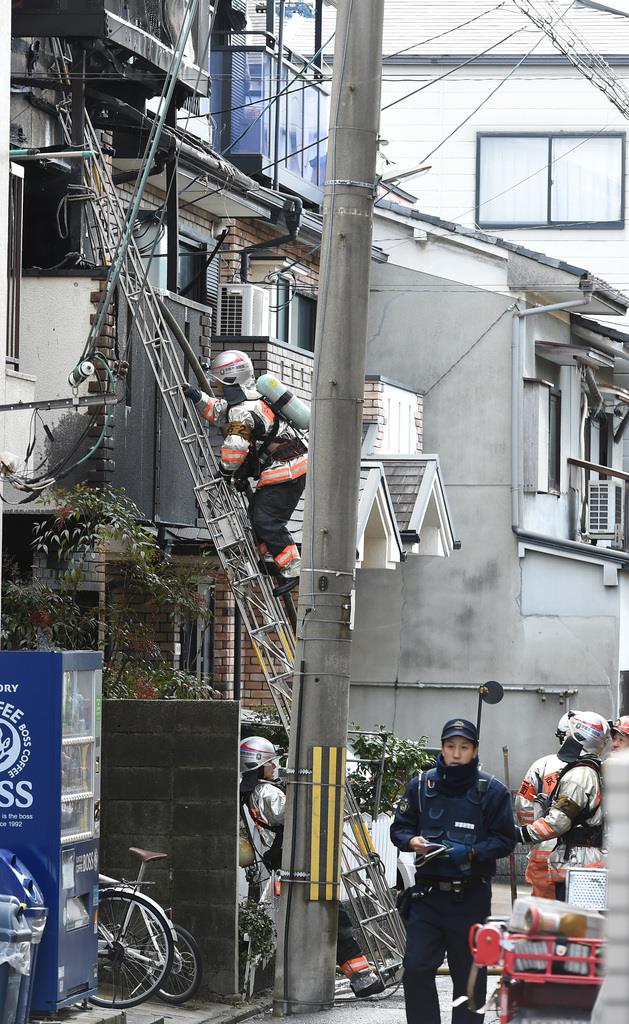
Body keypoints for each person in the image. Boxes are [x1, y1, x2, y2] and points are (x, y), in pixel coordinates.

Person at [390, 718, 517, 1024]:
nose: (456, 753)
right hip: (428, 898)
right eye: (450, 747)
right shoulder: (421, 786)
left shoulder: (493, 791)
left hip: (471, 898)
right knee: (416, 968)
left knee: (469, 975)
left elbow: (505, 840)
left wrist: (472, 852)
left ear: (474, 750)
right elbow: (399, 829)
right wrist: (412, 840)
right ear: (443, 748)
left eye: (463, 747)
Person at [239, 736, 384, 998]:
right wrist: (303, 784)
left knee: (325, 920)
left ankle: (354, 977)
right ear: (259, 765)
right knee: (334, 918)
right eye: (272, 763)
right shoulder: (266, 793)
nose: (276, 767)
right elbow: (289, 812)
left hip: (289, 867)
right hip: (295, 867)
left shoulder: (253, 792)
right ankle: (360, 978)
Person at [185, 351, 307, 596]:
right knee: (256, 517)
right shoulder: (246, 402)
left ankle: (293, 569)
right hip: (284, 470)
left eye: (218, 382)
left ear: (230, 381)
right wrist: (197, 397)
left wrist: (225, 470)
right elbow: (219, 410)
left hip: (287, 471)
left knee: (267, 521)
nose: (215, 387)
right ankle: (271, 562)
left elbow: (236, 446)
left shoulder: (244, 410)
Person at [515, 710, 609, 900]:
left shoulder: (578, 775)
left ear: (579, 736)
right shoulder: (595, 770)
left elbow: (558, 820)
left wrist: (521, 833)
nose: (565, 737)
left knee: (569, 924)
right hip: (583, 861)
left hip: (576, 864)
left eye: (568, 733)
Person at [514, 710, 580, 899]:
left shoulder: (541, 766)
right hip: (581, 855)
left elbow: (523, 803)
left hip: (543, 849)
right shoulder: (593, 768)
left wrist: (534, 833)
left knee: (544, 915)